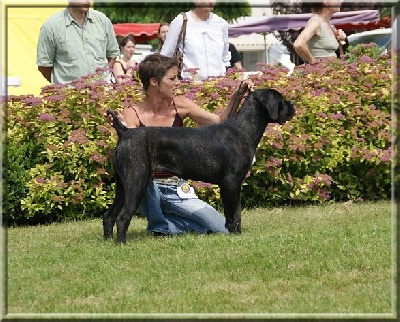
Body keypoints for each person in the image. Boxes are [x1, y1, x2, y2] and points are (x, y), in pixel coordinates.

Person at [106, 53, 253, 236]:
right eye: (172, 78)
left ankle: (165, 227)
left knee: (219, 229)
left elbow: (220, 120)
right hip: (148, 187)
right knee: (142, 177)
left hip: (176, 188)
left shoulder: (182, 105)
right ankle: (160, 224)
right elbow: (131, 153)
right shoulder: (131, 113)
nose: (178, 82)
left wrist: (237, 96)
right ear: (154, 82)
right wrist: (123, 128)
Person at [36, 0, 120, 84]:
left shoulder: (103, 21)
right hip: (68, 94)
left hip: (100, 93)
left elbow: (112, 55)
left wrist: (101, 78)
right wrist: (62, 86)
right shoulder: (51, 26)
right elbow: (44, 66)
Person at [160, 0, 231, 80]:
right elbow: (165, 56)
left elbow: (225, 57)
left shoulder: (221, 24)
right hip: (190, 86)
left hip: (218, 86)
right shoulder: (181, 21)